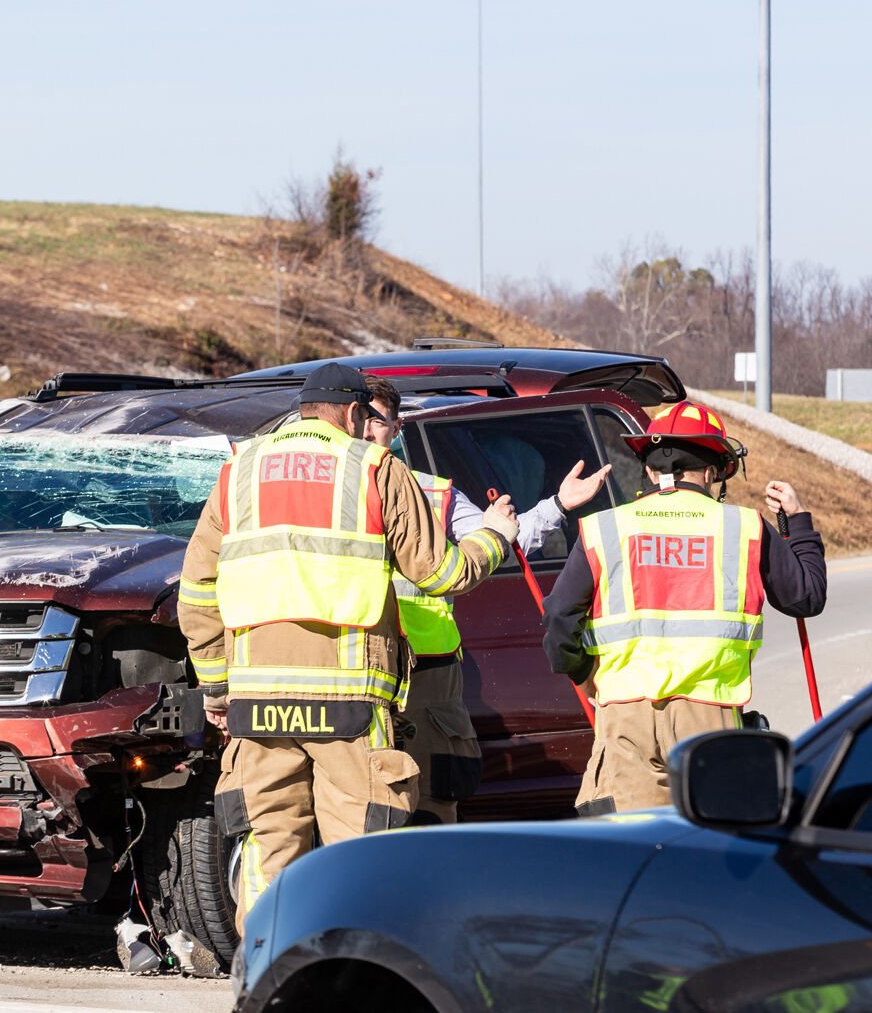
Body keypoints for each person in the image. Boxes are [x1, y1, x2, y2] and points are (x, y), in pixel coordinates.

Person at [178, 362, 520, 931]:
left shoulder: (238, 472)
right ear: (357, 414)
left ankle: (269, 970)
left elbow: (197, 591)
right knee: (355, 851)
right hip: (349, 703)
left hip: (258, 705)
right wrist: (495, 537)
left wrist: (216, 686)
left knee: (270, 845)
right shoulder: (376, 468)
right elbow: (442, 574)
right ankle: (348, 974)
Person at [542, 402, 826, 815]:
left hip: (626, 718)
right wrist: (796, 521)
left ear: (652, 472)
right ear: (711, 472)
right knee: (713, 844)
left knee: (631, 847)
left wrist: (585, 676)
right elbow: (807, 597)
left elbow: (558, 619)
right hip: (709, 718)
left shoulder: (607, 527)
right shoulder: (744, 527)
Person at [362, 375, 612, 823]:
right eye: (358, 415)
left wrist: (557, 505)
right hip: (351, 670)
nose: (364, 428)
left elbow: (500, 540)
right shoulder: (321, 490)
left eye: (376, 419)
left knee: (430, 801)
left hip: (425, 673)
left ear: (396, 429)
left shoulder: (434, 494)